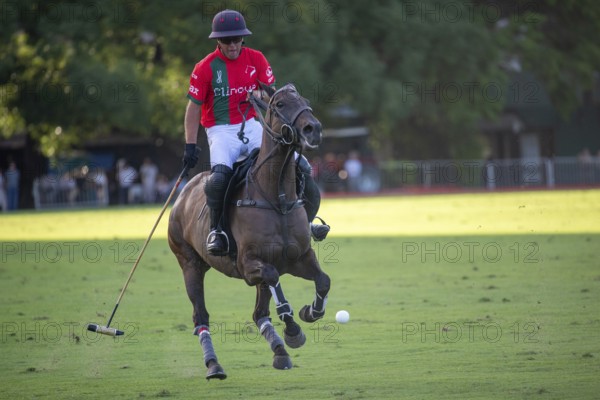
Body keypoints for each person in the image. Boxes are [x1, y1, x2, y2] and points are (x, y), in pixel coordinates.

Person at [182, 9, 329, 256]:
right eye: (226, 40)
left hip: (252, 123)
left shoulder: (256, 59)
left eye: (236, 39)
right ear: (217, 40)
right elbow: (193, 108)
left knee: (300, 165)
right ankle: (217, 230)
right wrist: (189, 144)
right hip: (221, 129)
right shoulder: (205, 67)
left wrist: (260, 95)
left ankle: (308, 221)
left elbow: (272, 96)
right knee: (218, 180)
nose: (232, 45)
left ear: (243, 38)